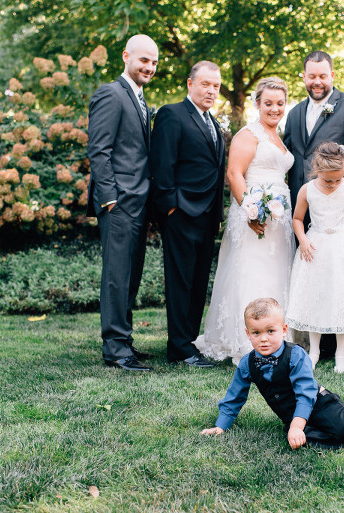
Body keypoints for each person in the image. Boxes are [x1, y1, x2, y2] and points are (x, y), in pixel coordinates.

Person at [200, 298, 344, 455]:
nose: (264, 339)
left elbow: (305, 394)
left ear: (284, 330)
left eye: (271, 331)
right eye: (256, 333)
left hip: (319, 404)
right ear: (248, 334)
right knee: (301, 439)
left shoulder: (295, 355)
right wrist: (221, 425)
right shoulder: (247, 363)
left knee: (343, 427)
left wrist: (297, 424)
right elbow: (234, 396)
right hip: (291, 416)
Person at [194, 78, 295, 364]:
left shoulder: (278, 136)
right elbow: (234, 174)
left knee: (275, 273)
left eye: (280, 103)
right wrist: (251, 211)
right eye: (269, 103)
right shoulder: (248, 135)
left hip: (279, 222)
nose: (275, 109)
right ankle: (245, 340)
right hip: (254, 218)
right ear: (258, 103)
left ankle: (275, 337)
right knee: (253, 272)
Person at [283, 50, 344, 361]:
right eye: (312, 76)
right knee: (312, 281)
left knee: (338, 281)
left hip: (338, 210)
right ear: (304, 77)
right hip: (305, 206)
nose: (317, 81)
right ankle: (310, 341)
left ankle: (337, 347)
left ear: (333, 75)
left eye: (323, 76)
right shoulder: (294, 113)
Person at [86, 35, 159, 371]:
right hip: (119, 203)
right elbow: (99, 150)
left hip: (139, 202)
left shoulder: (140, 99)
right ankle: (115, 349)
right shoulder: (110, 94)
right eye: (144, 60)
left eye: (154, 63)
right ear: (127, 56)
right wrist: (111, 198)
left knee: (130, 275)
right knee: (117, 275)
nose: (149, 67)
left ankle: (123, 341)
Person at [150, 61, 226, 368]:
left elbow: (216, 171)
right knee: (180, 281)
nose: (211, 91)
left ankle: (190, 342)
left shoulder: (216, 125)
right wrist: (169, 205)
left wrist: (217, 214)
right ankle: (179, 348)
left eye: (216, 87)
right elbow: (162, 164)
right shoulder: (171, 114)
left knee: (197, 282)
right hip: (180, 212)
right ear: (190, 84)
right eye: (205, 84)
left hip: (207, 217)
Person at [285, 142, 344, 374]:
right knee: (315, 296)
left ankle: (341, 354)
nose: (333, 184)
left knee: (341, 296)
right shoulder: (306, 190)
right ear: (317, 170)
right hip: (316, 247)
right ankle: (314, 351)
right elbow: (297, 219)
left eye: (338, 179)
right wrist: (303, 240)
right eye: (328, 180)